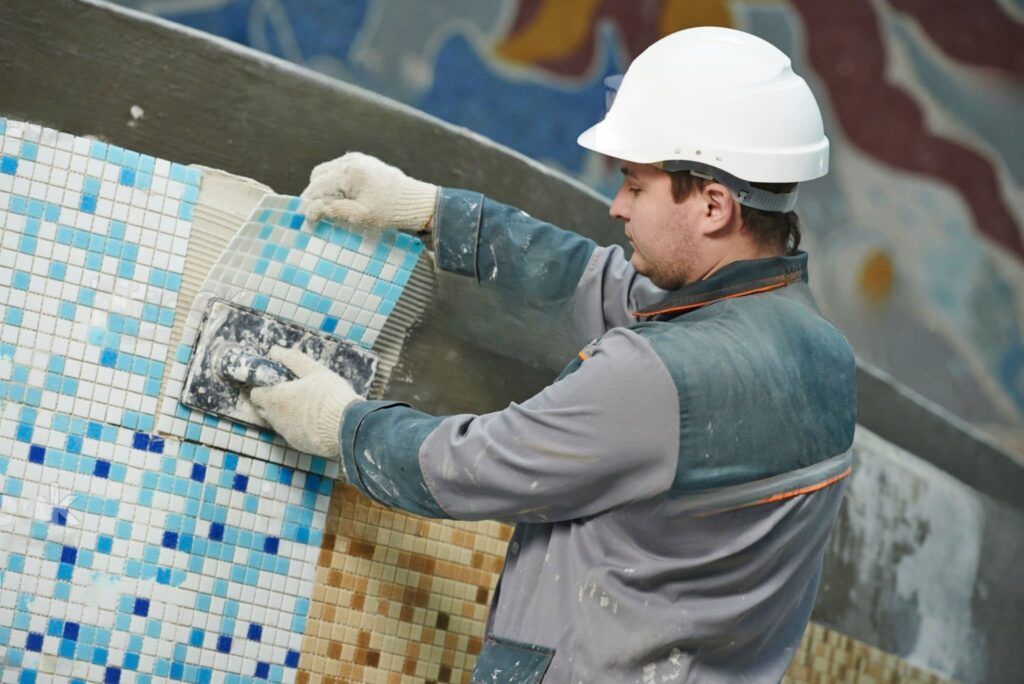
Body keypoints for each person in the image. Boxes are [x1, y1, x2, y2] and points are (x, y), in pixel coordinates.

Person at [250, 26, 856, 683]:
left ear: (713, 205)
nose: (618, 207)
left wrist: (341, 426)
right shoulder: (817, 353)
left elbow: (466, 468)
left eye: (635, 185)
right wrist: (432, 212)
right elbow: (597, 281)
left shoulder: (656, 378)